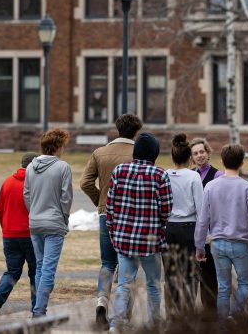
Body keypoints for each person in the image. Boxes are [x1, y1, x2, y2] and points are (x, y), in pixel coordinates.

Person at [79, 113, 143, 328]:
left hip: (106, 213)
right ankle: (124, 314)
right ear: (136, 132)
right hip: (131, 216)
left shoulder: (100, 153)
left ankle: (101, 302)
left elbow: (85, 182)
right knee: (128, 263)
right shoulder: (138, 153)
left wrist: (101, 201)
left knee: (107, 262)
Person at [105, 133, 172, 332]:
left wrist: (113, 231)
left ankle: (116, 325)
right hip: (150, 241)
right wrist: (158, 226)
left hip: (124, 239)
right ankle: (154, 324)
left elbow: (110, 206)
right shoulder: (159, 174)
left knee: (124, 285)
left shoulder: (119, 171)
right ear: (154, 153)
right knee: (153, 285)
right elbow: (166, 209)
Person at [194, 143, 248, 319]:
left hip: (217, 244)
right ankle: (233, 316)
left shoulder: (210, 186)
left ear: (222, 161)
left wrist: (200, 246)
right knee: (245, 285)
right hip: (240, 244)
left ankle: (222, 325)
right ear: (242, 162)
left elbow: (203, 220)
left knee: (224, 288)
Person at [23, 128, 73, 318]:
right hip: (54, 223)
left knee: (41, 266)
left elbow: (26, 194)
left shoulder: (30, 167)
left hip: (35, 222)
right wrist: (64, 217)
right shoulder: (63, 167)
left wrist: (34, 211)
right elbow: (66, 198)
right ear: (58, 146)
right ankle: (39, 311)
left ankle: (38, 306)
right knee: (49, 269)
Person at [0, 152, 39, 324]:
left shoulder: (7, 182)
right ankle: (36, 311)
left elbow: (0, 208)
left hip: (10, 235)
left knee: (13, 271)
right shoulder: (35, 183)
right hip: (30, 235)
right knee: (35, 272)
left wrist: (6, 228)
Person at [163, 134, 203, 314]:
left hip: (169, 228)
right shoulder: (194, 177)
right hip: (189, 228)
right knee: (190, 274)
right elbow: (201, 209)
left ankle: (173, 311)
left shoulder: (164, 175)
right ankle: (187, 311)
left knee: (171, 273)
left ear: (173, 157)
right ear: (189, 158)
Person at [190, 137, 222, 312]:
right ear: (192, 158)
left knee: (210, 273)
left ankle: (210, 311)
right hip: (193, 230)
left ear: (208, 153)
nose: (199, 155)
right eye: (195, 153)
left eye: (202, 151)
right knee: (194, 272)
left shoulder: (217, 175)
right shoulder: (190, 175)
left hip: (211, 231)